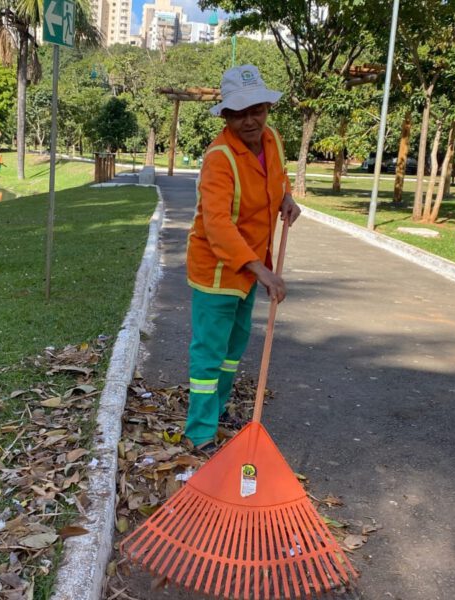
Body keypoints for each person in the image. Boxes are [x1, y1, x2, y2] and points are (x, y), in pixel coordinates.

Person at [185, 65, 301, 453]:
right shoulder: (219, 158)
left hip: (252, 267)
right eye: (239, 113)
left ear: (267, 107)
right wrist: (261, 270)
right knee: (209, 353)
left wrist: (286, 197)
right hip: (218, 270)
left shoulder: (273, 140)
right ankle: (199, 433)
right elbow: (216, 224)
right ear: (226, 116)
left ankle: (217, 413)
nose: (250, 120)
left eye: (257, 109)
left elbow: (277, 178)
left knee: (234, 347)